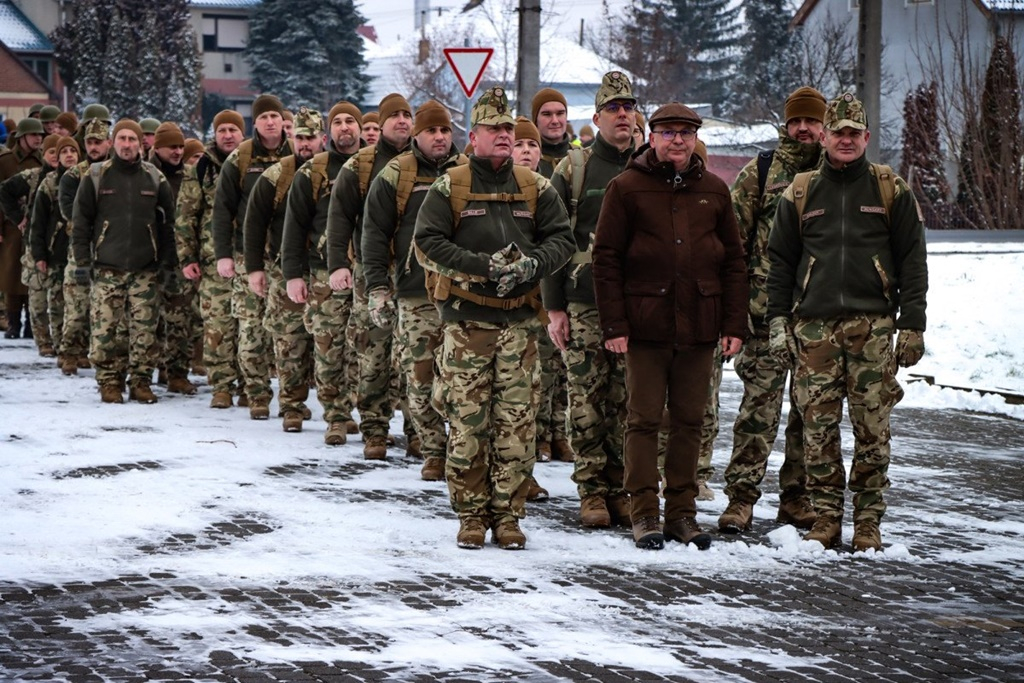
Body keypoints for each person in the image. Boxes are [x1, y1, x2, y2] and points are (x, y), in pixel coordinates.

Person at [766, 92, 928, 552]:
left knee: (872, 430)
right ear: (825, 135)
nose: (846, 140)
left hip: (872, 330)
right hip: (813, 331)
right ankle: (826, 518)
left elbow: (913, 261)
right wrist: (778, 322)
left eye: (854, 133)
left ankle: (869, 522)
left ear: (866, 138)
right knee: (816, 430)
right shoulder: (800, 192)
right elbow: (779, 264)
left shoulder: (889, 188)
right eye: (838, 132)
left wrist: (912, 323)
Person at [414, 86, 573, 550]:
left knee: (517, 426)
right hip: (467, 326)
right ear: (475, 136)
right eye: (494, 128)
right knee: (468, 424)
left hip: (520, 326)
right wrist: (482, 267)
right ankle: (469, 515)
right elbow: (427, 243)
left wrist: (532, 266)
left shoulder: (535, 187)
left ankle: (507, 516)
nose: (505, 135)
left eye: (509, 127)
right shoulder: (452, 185)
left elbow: (561, 239)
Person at [592, 103, 747, 551]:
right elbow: (606, 260)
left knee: (689, 422)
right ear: (651, 136)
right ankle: (643, 513)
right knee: (641, 421)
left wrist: (733, 322)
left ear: (695, 139)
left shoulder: (715, 192)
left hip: (699, 325)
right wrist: (614, 324)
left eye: (685, 132)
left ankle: (682, 514)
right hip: (644, 328)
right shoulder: (625, 188)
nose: (676, 140)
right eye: (667, 132)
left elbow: (735, 262)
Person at [716, 86, 828, 535]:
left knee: (809, 415)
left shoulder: (837, 174)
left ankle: (796, 500)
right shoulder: (759, 173)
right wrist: (735, 311)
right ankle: (740, 500)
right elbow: (731, 248)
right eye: (796, 121)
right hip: (763, 318)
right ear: (786, 124)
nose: (803, 128)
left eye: (811, 121)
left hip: (817, 318)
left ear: (823, 127)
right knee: (756, 413)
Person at [544, 70, 637, 530]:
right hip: (584, 305)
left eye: (629, 107)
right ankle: (592, 491)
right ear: (598, 117)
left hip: (640, 305)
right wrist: (554, 307)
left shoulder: (650, 164)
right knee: (586, 400)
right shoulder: (575, 169)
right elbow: (553, 240)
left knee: (631, 401)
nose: (623, 115)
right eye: (614, 109)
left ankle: (622, 487)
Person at [361, 101, 467, 479]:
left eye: (444, 131)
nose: (439, 138)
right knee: (420, 377)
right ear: (417, 136)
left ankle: (461, 448)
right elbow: (373, 235)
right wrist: (377, 287)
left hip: (461, 293)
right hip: (413, 293)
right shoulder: (395, 174)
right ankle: (433, 450)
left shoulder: (466, 170)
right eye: (431, 132)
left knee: (463, 378)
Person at [326, 92, 414, 459]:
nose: (402, 121)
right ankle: (375, 430)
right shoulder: (360, 165)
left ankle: (418, 430)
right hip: (371, 271)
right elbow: (339, 219)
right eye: (394, 116)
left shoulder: (433, 162)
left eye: (407, 115)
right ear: (380, 122)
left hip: (417, 274)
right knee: (373, 354)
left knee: (416, 356)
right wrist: (338, 265)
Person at [71, 119, 176, 404]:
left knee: (145, 332)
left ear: (141, 143)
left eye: (132, 139)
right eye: (122, 139)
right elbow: (81, 222)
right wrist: (82, 262)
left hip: (146, 270)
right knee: (106, 331)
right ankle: (109, 381)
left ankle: (141, 381)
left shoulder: (154, 177)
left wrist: (167, 264)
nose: (127, 144)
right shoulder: (96, 175)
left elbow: (168, 224)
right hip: (107, 267)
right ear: (113, 142)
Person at [212, 94, 293, 419]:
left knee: (288, 333)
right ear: (255, 123)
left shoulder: (297, 152)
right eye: (263, 117)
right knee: (251, 329)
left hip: (289, 256)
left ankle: (292, 399)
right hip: (249, 254)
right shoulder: (241, 158)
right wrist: (224, 254)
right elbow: (222, 209)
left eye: (274, 115)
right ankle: (256, 393)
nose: (270, 122)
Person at [175, 109, 247, 408]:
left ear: (242, 133)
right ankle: (221, 386)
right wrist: (187, 256)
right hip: (212, 260)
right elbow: (185, 217)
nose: (228, 135)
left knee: (249, 326)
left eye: (233, 129)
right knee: (217, 326)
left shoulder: (252, 163)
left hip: (248, 258)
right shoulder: (201, 168)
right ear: (214, 135)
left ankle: (249, 384)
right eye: (222, 130)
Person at [29, 136, 81, 366]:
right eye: (64, 152)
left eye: (73, 151)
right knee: (58, 302)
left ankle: (79, 348)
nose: (69, 155)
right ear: (57, 157)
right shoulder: (50, 183)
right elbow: (38, 222)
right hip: (56, 251)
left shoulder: (87, 179)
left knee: (80, 304)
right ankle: (60, 345)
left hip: (80, 252)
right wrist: (39, 254)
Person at [0, 117, 44, 339]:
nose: (38, 138)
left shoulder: (43, 160)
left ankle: (30, 324)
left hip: (35, 225)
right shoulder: (6, 161)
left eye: (40, 135)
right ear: (22, 137)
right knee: (11, 275)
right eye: (34, 135)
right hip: (11, 226)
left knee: (32, 275)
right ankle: (13, 322)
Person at [531, 87, 571, 178]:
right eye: (547, 114)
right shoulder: (526, 158)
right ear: (536, 120)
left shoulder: (582, 157)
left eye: (560, 113)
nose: (555, 121)